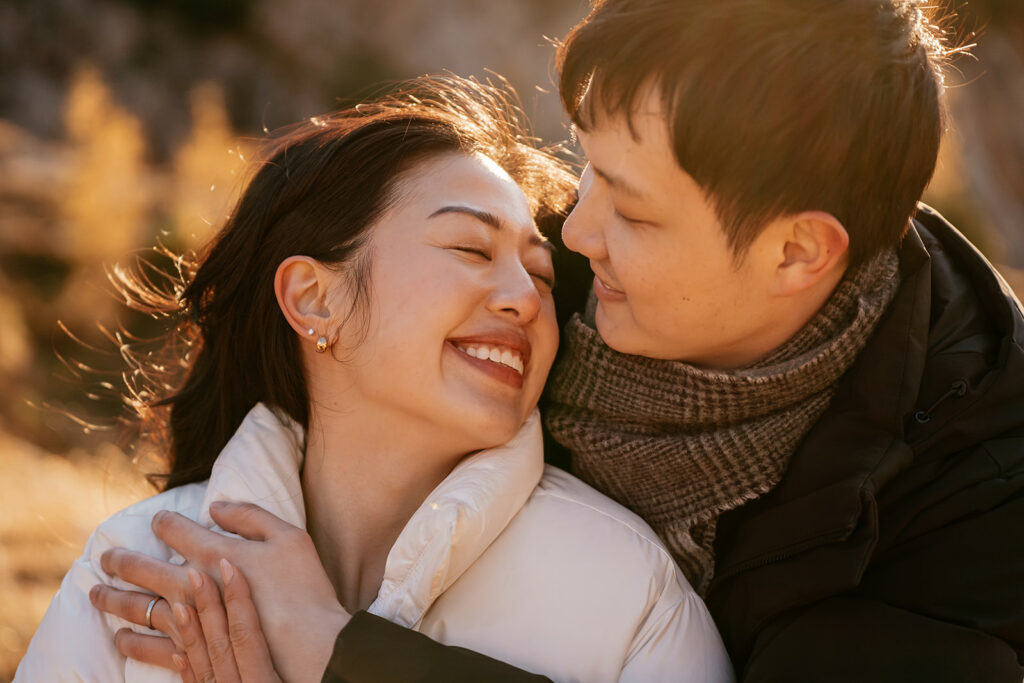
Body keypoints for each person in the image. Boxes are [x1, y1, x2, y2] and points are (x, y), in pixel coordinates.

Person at [90, 0, 1024, 681]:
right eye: (589, 171)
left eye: (637, 212)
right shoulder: (541, 285)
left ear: (797, 253)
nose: (574, 234)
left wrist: (342, 655)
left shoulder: (978, 500)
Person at [13, 75, 735, 683]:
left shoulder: (625, 590)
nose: (524, 297)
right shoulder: (137, 569)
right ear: (312, 298)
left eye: (541, 274)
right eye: (469, 247)